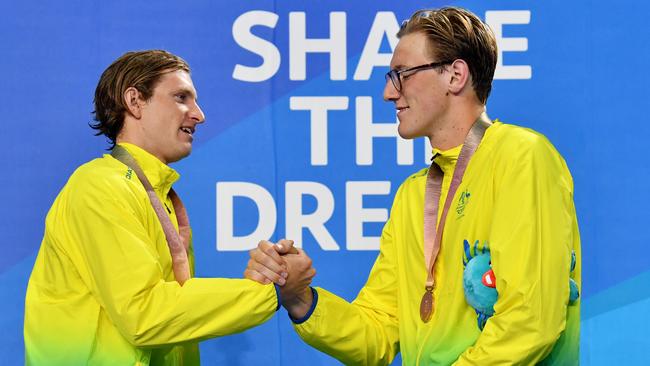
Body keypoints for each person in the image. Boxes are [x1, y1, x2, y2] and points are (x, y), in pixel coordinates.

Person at [246, 7, 581, 365]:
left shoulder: (522, 157)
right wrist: (301, 299)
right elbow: (376, 332)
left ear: (455, 75)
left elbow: (529, 323)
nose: (388, 93)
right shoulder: (413, 195)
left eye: (401, 74)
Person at [24, 50, 314, 365]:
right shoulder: (99, 187)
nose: (199, 114)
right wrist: (269, 292)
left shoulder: (159, 197)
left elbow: (175, 318)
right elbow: (145, 314)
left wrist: (264, 286)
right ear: (134, 101)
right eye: (181, 97)